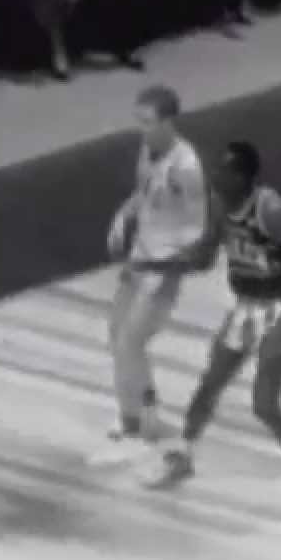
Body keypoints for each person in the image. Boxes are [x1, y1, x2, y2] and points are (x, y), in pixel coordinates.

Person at [143, 141, 281, 523]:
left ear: (242, 176)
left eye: (223, 171)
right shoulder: (220, 205)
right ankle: (183, 457)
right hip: (245, 306)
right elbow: (206, 257)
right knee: (208, 386)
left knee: (265, 405)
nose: (214, 176)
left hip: (279, 308)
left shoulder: (271, 210)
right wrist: (166, 261)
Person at [91, 84, 212, 467]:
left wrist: (167, 265)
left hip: (162, 267)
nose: (141, 129)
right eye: (138, 121)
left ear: (168, 122)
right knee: (117, 335)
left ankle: (135, 431)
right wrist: (123, 215)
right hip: (140, 256)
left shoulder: (187, 167)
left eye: (147, 122)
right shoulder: (147, 151)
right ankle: (139, 415)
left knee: (131, 342)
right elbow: (143, 193)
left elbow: (197, 228)